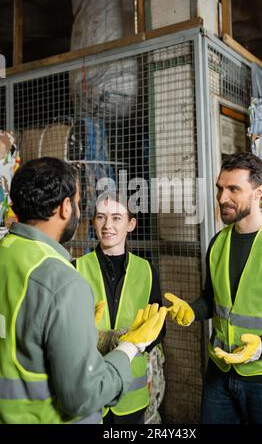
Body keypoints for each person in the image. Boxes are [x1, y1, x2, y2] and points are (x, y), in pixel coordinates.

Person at [0, 157, 166, 424]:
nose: (107, 225)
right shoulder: (65, 279)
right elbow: (83, 395)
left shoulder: (8, 255)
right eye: (80, 204)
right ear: (66, 207)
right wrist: (129, 343)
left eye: (116, 218)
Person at [165, 152, 262, 424]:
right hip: (220, 372)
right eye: (220, 188)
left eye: (233, 189)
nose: (222, 197)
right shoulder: (218, 243)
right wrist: (192, 310)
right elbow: (212, 300)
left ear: (258, 193)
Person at [74, 192, 166, 424]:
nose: (107, 225)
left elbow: (159, 329)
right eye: (101, 217)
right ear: (93, 222)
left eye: (116, 218)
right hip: (90, 392)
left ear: (131, 224)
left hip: (131, 395)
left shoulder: (147, 271)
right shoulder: (75, 268)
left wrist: (131, 342)